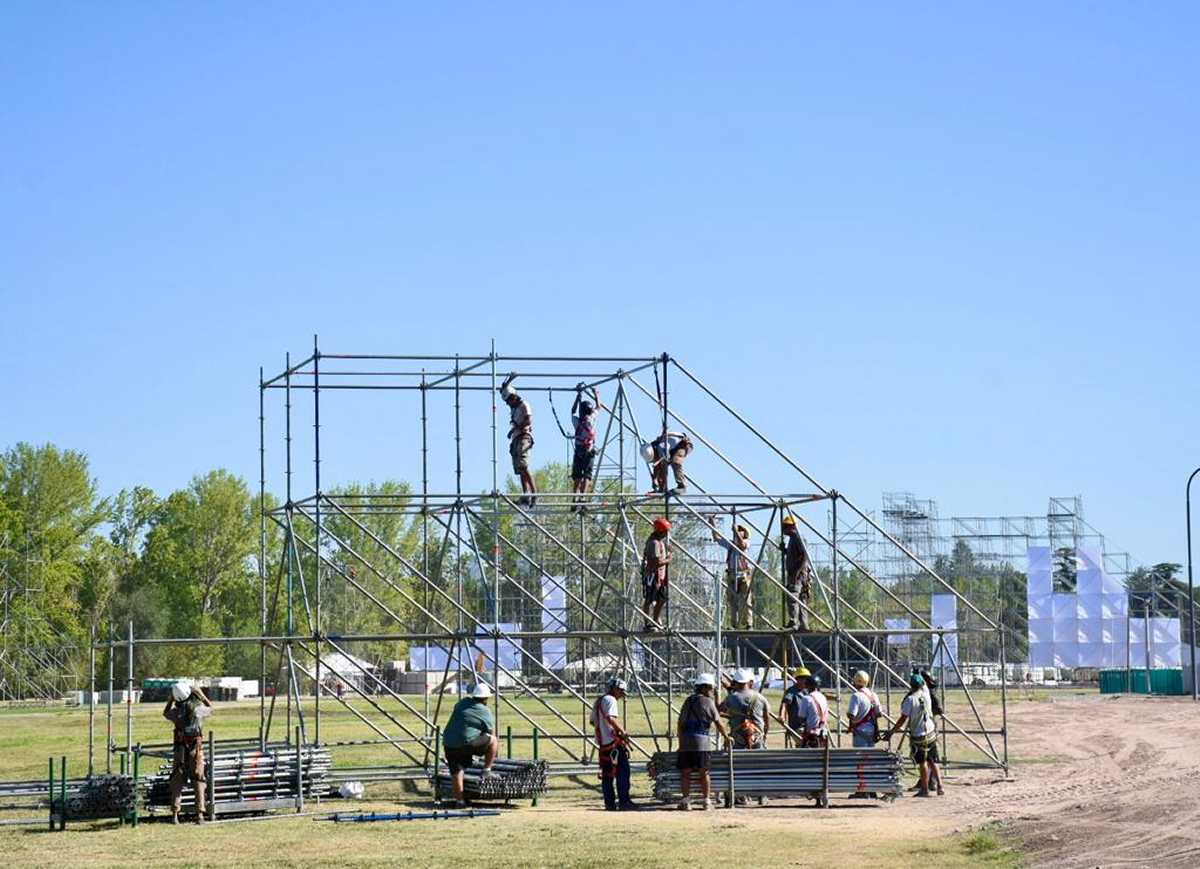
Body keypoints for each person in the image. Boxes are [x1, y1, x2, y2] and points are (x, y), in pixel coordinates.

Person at [883, 673, 942, 797]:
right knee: (932, 761)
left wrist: (892, 731)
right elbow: (926, 684)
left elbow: (902, 719)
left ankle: (924, 789)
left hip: (919, 734)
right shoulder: (926, 694)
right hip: (930, 731)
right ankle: (940, 786)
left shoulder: (910, 700)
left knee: (923, 762)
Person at [675, 673, 728, 810]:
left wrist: (680, 744)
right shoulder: (708, 702)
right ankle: (706, 801)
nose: (712, 691)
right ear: (705, 688)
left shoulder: (688, 701)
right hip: (702, 742)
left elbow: (680, 724)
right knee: (704, 772)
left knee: (685, 772)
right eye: (711, 688)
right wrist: (726, 736)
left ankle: (686, 801)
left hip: (686, 742)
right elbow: (718, 722)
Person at [163, 680, 212, 824]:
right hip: (195, 750)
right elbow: (211, 708)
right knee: (198, 779)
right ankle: (200, 815)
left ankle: (175, 815)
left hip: (179, 750)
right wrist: (200, 694)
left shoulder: (175, 712)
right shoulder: (198, 710)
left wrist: (171, 699)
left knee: (177, 780)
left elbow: (165, 712)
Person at [719, 669, 770, 805]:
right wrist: (764, 734)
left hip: (738, 737)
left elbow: (719, 710)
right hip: (757, 737)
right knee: (760, 767)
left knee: (737, 767)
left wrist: (732, 715)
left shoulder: (731, 698)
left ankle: (740, 795)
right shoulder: (760, 698)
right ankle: (761, 796)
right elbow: (766, 719)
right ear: (750, 682)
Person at [442, 683, 498, 807]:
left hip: (449, 743)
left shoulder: (461, 703)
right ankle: (486, 770)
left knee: (457, 771)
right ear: (485, 698)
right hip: (466, 744)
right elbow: (491, 732)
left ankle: (460, 802)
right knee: (493, 740)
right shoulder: (484, 711)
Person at [591, 677, 637, 810]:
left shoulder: (599, 701)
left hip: (603, 744)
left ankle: (609, 803)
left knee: (607, 775)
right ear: (615, 689)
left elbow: (593, 721)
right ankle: (624, 802)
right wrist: (622, 731)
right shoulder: (610, 700)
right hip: (614, 743)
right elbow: (610, 718)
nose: (622, 695)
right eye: (621, 691)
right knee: (623, 772)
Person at [499, 373, 536, 506]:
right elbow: (503, 390)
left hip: (523, 437)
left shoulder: (523, 404)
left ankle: (534, 492)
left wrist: (515, 429)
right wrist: (507, 383)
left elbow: (528, 420)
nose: (508, 403)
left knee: (523, 465)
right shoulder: (514, 407)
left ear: (514, 396)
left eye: (509, 400)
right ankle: (526, 495)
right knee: (520, 468)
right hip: (516, 438)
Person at [713, 520, 753, 629]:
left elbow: (742, 545)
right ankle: (734, 624)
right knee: (732, 601)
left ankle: (748, 623)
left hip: (743, 575)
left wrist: (735, 531)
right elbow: (717, 537)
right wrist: (712, 523)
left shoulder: (746, 542)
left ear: (744, 534)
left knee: (746, 600)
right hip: (732, 575)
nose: (738, 532)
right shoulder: (730, 544)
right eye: (737, 530)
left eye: (741, 530)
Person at [570, 384, 602, 510]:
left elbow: (572, 411)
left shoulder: (577, 422)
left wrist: (578, 396)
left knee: (578, 477)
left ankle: (575, 499)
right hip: (589, 451)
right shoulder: (592, 420)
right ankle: (582, 499)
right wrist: (596, 394)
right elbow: (599, 407)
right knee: (587, 476)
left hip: (579, 451)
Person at [781, 515, 813, 631]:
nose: (783, 529)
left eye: (784, 527)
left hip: (798, 575)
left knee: (793, 597)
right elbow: (795, 555)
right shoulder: (793, 539)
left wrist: (796, 573)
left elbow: (804, 556)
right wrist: (784, 550)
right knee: (801, 600)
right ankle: (803, 625)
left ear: (790, 527)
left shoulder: (797, 538)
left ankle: (794, 622)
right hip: (798, 574)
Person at [640, 517, 672, 631]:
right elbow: (656, 562)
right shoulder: (654, 543)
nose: (666, 534)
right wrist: (669, 558)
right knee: (650, 599)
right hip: (653, 576)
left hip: (659, 576)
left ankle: (655, 621)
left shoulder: (658, 542)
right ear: (660, 531)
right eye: (665, 531)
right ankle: (649, 623)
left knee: (661, 599)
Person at [648, 430, 693, 495]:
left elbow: (665, 461)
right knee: (660, 466)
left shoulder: (661, 447)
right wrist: (655, 480)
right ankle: (661, 488)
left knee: (675, 461)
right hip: (672, 449)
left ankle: (682, 486)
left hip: (683, 444)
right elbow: (657, 468)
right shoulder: (655, 449)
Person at [847, 670, 882, 748]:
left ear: (855, 681)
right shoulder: (873, 695)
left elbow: (851, 714)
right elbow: (879, 714)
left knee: (860, 757)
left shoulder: (856, 696)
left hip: (860, 731)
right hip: (872, 731)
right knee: (870, 758)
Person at [779, 666, 810, 747]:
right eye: (803, 678)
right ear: (797, 679)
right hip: (797, 726)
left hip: (809, 725)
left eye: (806, 678)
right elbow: (785, 704)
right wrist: (782, 716)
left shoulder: (808, 691)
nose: (805, 681)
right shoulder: (792, 691)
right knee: (805, 745)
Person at [796, 673, 830, 748]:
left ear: (807, 685)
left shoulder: (806, 698)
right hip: (823, 732)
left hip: (811, 735)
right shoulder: (823, 697)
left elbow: (801, 717)